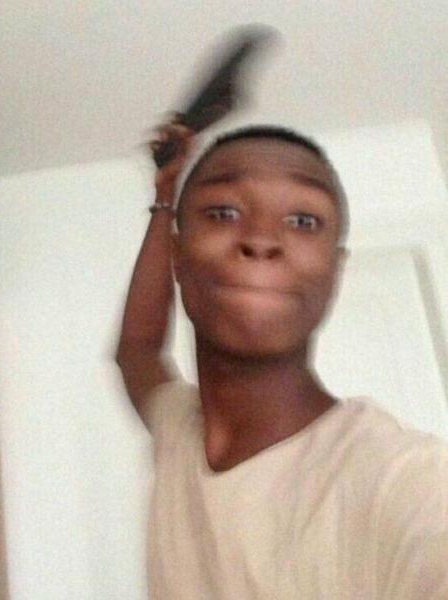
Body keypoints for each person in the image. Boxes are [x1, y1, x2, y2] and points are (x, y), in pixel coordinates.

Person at [115, 121, 448, 599]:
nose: (262, 239)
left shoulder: (407, 482)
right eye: (224, 212)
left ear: (334, 272)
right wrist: (164, 199)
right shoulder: (177, 431)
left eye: (303, 221)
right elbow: (137, 349)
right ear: (178, 258)